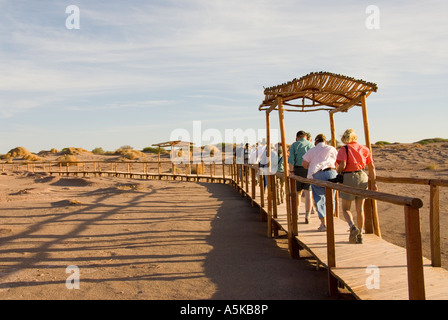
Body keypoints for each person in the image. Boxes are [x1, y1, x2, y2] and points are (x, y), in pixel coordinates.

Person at [336, 129, 378, 244]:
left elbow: (342, 164)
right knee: (360, 209)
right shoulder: (364, 148)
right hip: (362, 176)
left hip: (349, 177)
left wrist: (338, 173)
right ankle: (360, 234)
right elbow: (371, 167)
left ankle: (352, 226)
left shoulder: (344, 149)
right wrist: (373, 182)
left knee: (346, 208)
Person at [302, 134, 338, 231]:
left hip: (318, 174)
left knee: (319, 198)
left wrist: (311, 165)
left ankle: (323, 223)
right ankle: (331, 221)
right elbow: (337, 161)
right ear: (325, 141)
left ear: (316, 142)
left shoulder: (312, 150)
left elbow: (304, 163)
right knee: (331, 198)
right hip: (331, 172)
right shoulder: (331, 148)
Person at [288, 130, 314, 222]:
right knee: (308, 193)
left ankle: (296, 213)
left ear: (297, 137)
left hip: (298, 169)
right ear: (305, 137)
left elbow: (291, 159)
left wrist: (291, 171)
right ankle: (307, 215)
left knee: (297, 193)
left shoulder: (295, 145)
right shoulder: (311, 145)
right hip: (309, 170)